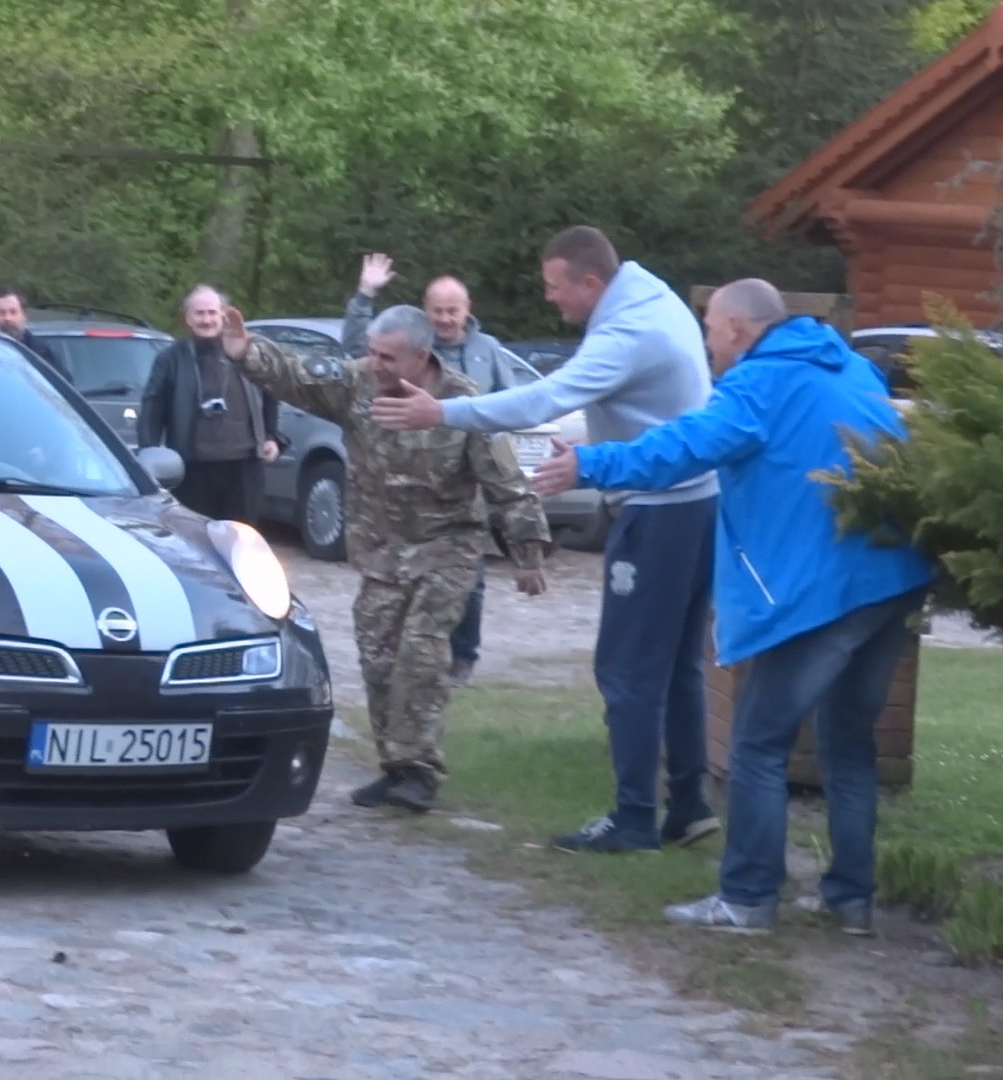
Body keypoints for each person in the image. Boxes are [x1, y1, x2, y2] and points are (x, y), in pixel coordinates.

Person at [531, 279, 936, 934]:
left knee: (758, 745)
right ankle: (851, 901)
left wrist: (590, 464)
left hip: (824, 590)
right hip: (892, 580)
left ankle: (746, 899)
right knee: (849, 744)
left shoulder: (757, 385)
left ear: (738, 330)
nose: (708, 342)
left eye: (710, 329)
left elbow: (685, 447)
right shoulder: (851, 368)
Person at [369, 225, 721, 855]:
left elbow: (545, 399)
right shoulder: (654, 297)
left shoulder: (626, 332)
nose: (550, 298)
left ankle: (635, 818)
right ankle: (690, 806)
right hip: (699, 503)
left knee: (627, 671)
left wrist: (441, 412)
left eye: (556, 287)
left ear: (591, 281)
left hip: (659, 513)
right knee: (679, 667)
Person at [219, 301, 552, 812]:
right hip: (381, 549)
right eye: (373, 353)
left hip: (446, 545)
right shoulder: (357, 383)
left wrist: (528, 553)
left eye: (388, 357)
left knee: (420, 653)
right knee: (378, 658)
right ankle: (394, 766)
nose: (376, 364)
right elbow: (298, 376)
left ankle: (420, 771)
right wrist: (246, 350)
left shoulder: (462, 403)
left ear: (421, 356)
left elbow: (505, 482)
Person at [347, 254, 520, 686]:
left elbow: (512, 403)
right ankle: (412, 654)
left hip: (468, 476)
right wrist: (365, 294)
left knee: (470, 579)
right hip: (412, 476)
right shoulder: (412, 349)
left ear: (467, 310)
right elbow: (356, 351)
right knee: (406, 580)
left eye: (451, 310)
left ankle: (462, 657)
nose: (444, 318)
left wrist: (498, 455)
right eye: (437, 310)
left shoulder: (488, 351)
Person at [137, 284, 283, 523]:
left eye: (212, 313)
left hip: (244, 468)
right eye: (200, 313)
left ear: (223, 315)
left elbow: (270, 392)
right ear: (188, 318)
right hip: (191, 470)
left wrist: (271, 436)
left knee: (242, 538)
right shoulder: (171, 358)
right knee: (194, 538)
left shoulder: (245, 354)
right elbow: (152, 409)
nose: (207, 320)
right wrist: (149, 454)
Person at [0, 285, 72, 383]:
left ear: (24, 315)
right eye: (1, 313)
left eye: (13, 312)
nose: (8, 318)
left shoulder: (41, 352)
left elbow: (63, 385)